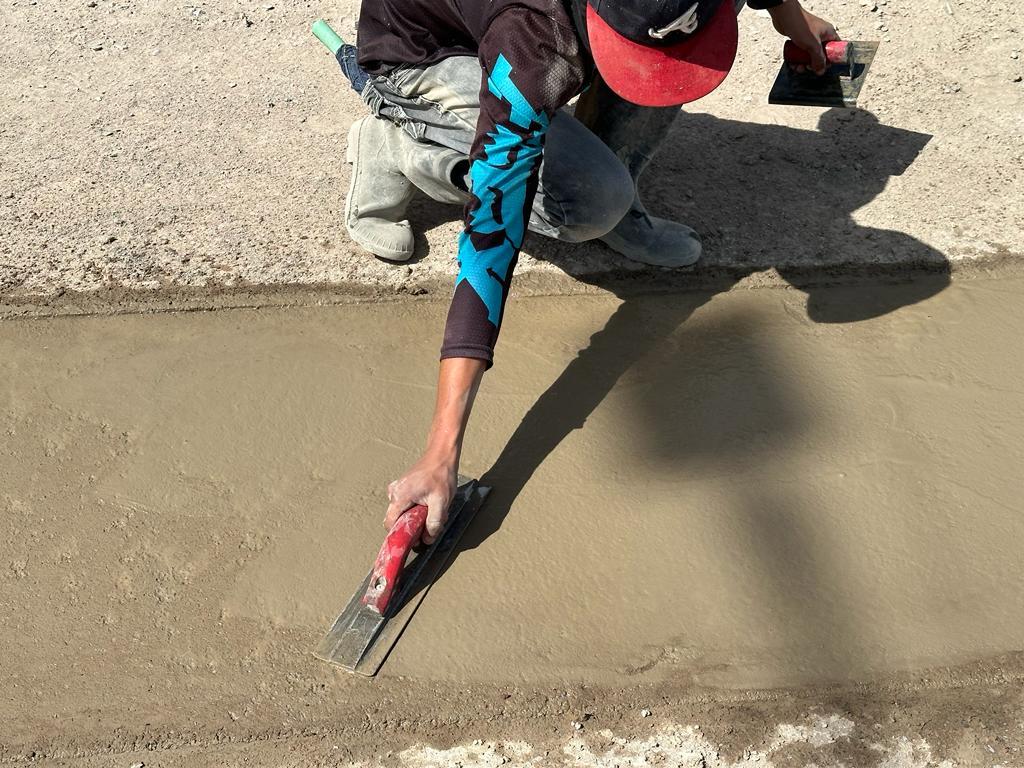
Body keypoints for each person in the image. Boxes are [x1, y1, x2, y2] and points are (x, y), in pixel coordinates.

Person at [342, 0, 839, 542]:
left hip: (527, 27)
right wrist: (441, 452)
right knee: (588, 204)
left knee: (683, 48)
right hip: (420, 51)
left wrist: (794, 22)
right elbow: (491, 237)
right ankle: (401, 147)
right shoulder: (530, 41)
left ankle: (617, 177)